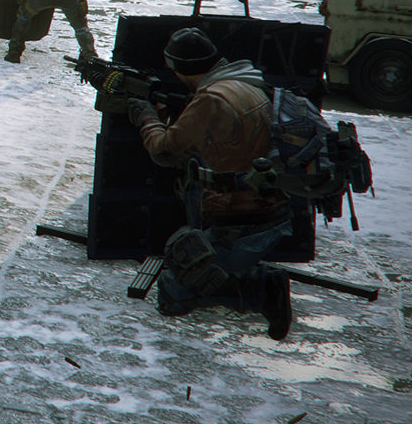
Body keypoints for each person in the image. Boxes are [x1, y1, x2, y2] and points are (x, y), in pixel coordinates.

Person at [126, 27, 294, 340]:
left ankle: (260, 289)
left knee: (172, 296)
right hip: (272, 206)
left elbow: (163, 152)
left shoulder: (211, 100)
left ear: (178, 68)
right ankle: (227, 263)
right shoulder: (246, 82)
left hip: (242, 218)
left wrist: (147, 117)